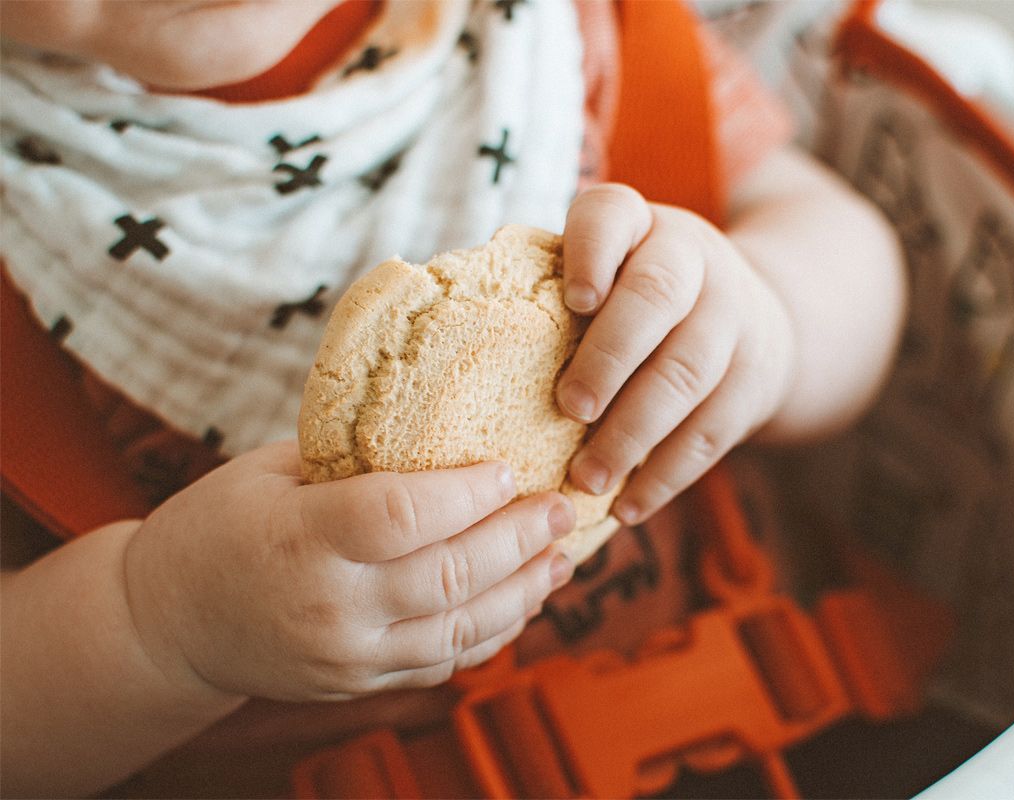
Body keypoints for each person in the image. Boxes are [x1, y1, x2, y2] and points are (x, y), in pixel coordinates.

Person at [0, 0, 904, 796]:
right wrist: (160, 627)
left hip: (784, 710)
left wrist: (767, 318)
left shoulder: (568, 32)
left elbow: (850, 251)